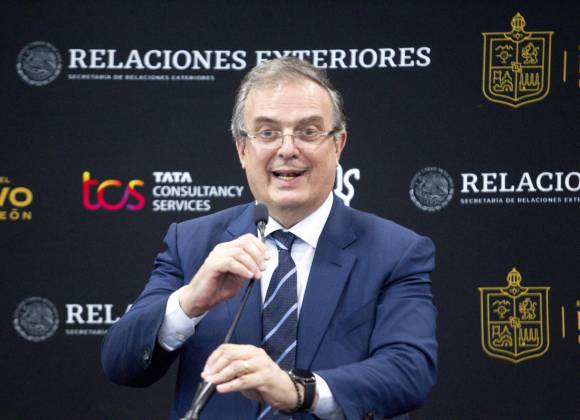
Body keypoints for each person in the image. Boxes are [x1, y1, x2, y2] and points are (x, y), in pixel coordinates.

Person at [101, 57, 437, 420]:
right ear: (242, 148)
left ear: (338, 144)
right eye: (267, 133)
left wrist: (299, 391)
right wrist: (189, 303)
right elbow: (120, 363)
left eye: (308, 131)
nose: (288, 149)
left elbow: (409, 371)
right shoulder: (191, 242)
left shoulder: (396, 251)